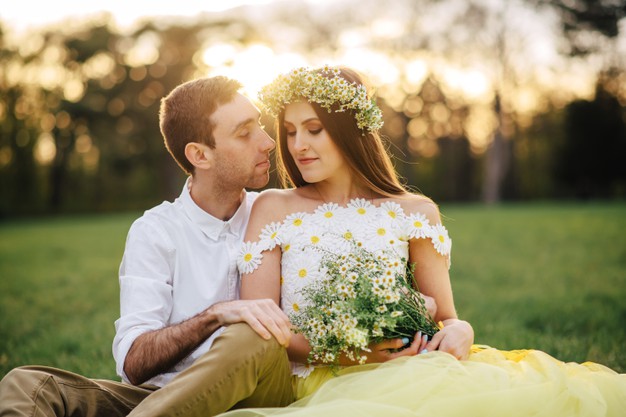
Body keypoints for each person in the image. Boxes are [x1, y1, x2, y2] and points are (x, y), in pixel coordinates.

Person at [222, 66, 626, 416]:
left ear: (351, 130)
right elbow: (265, 331)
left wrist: (461, 330)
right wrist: (351, 354)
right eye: (290, 132)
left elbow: (446, 315)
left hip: (411, 371)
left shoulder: (414, 212)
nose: (297, 146)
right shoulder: (274, 208)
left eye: (314, 130)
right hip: (315, 385)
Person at [0, 76, 295, 417]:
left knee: (253, 335)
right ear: (200, 155)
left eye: (259, 126)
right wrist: (214, 316)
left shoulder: (277, 216)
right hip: (159, 400)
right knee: (27, 383)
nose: (268, 142)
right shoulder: (155, 231)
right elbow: (134, 363)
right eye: (245, 133)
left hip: (255, 399)